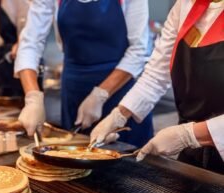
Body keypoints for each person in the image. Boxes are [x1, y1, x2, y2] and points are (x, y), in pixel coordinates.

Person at [91, 0, 224, 173]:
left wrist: (189, 135)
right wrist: (119, 114)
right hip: (193, 155)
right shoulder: (184, 5)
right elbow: (156, 75)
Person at [15, 0, 153, 147]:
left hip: (121, 90)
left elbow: (139, 50)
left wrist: (100, 95)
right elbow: (30, 43)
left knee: (128, 161)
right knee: (74, 160)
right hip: (74, 87)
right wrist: (32, 98)